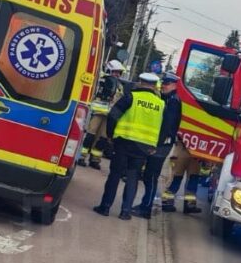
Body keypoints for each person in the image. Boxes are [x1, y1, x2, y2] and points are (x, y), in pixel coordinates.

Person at [93, 73, 164, 220]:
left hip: (124, 142)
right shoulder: (160, 104)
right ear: (154, 86)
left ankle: (105, 207)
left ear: (140, 82)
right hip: (144, 147)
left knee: (115, 174)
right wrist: (154, 144)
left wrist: (110, 135)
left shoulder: (131, 97)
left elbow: (113, 115)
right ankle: (125, 212)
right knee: (133, 177)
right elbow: (162, 127)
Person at [135, 71, 182, 219]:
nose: (163, 86)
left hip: (162, 144)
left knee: (151, 175)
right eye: (163, 84)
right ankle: (145, 204)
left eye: (167, 84)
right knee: (149, 174)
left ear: (174, 85)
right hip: (160, 142)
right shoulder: (168, 98)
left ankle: (146, 208)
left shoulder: (173, 101)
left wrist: (156, 144)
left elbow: (167, 126)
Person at [78, 59, 126, 169]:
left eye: (119, 72)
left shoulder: (119, 86)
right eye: (115, 72)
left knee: (103, 138)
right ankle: (81, 156)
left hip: (110, 115)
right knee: (90, 134)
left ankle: (95, 159)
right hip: (97, 112)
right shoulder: (101, 80)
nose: (117, 75)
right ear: (109, 70)